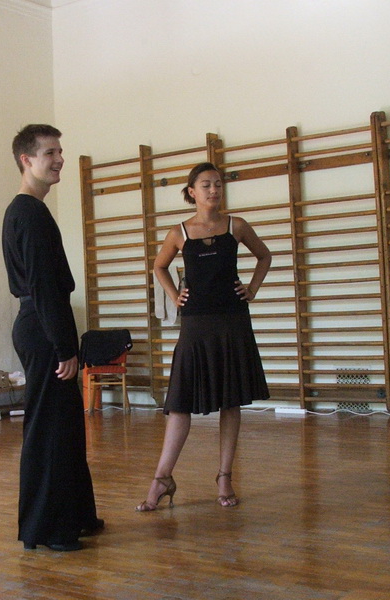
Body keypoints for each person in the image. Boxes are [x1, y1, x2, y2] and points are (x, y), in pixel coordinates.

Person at [136, 162, 271, 511]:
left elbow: (264, 256)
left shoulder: (237, 226)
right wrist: (173, 295)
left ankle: (224, 477)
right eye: (206, 185)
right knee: (180, 402)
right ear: (192, 192)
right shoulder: (179, 232)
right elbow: (159, 266)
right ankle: (162, 478)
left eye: (218, 184)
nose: (214, 190)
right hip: (196, 323)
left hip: (232, 320)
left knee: (231, 400)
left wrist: (252, 289)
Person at [2, 124, 102, 551]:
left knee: (66, 426)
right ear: (26, 160)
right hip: (44, 329)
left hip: (42, 324)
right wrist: (64, 346)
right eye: (49, 153)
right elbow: (44, 286)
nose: (59, 159)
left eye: (60, 151)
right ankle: (47, 530)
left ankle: (77, 517)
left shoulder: (30, 211)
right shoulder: (28, 213)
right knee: (50, 430)